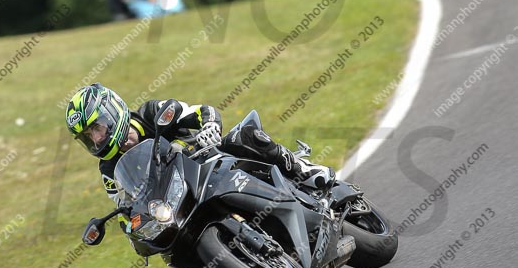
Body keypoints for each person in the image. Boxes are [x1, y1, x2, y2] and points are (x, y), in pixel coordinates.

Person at [65, 83, 336, 209]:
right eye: (88, 136)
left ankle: (303, 170)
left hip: (212, 160)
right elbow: (125, 207)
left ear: (111, 111)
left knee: (244, 135)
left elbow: (201, 111)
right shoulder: (108, 170)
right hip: (185, 197)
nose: (96, 139)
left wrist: (210, 127)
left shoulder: (151, 112)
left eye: (96, 127)